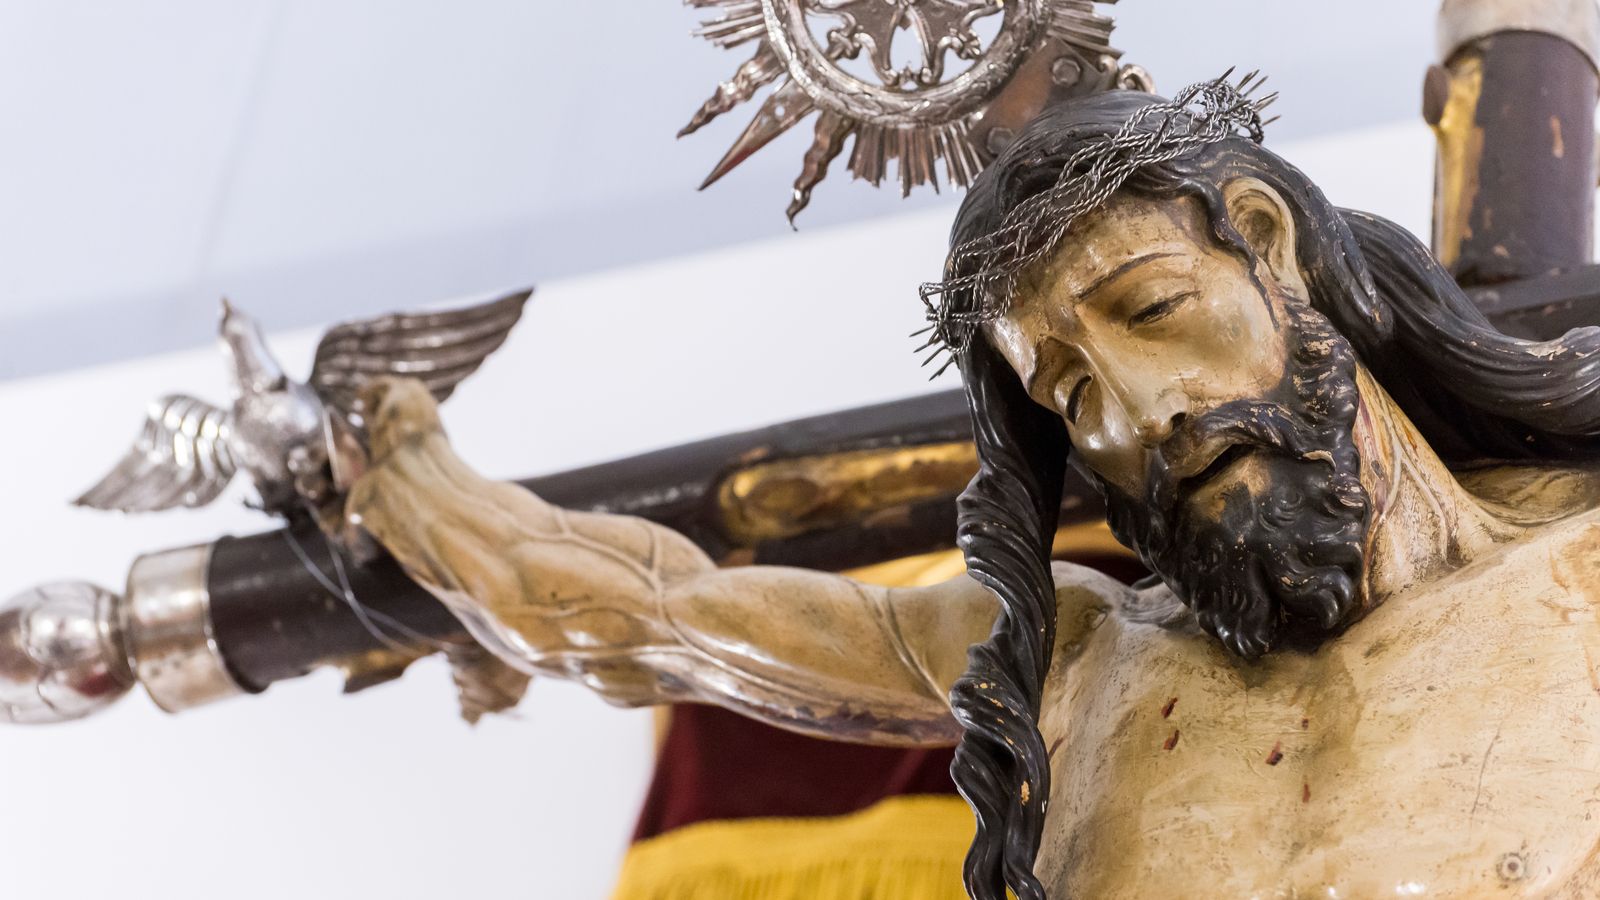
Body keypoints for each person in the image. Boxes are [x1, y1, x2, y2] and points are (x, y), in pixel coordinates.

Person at [343, 78, 1600, 898]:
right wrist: (399, 466)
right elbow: (645, 609)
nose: (1140, 415)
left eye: (1154, 311)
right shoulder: (1071, 664)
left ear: (1266, 243)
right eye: (1069, 392)